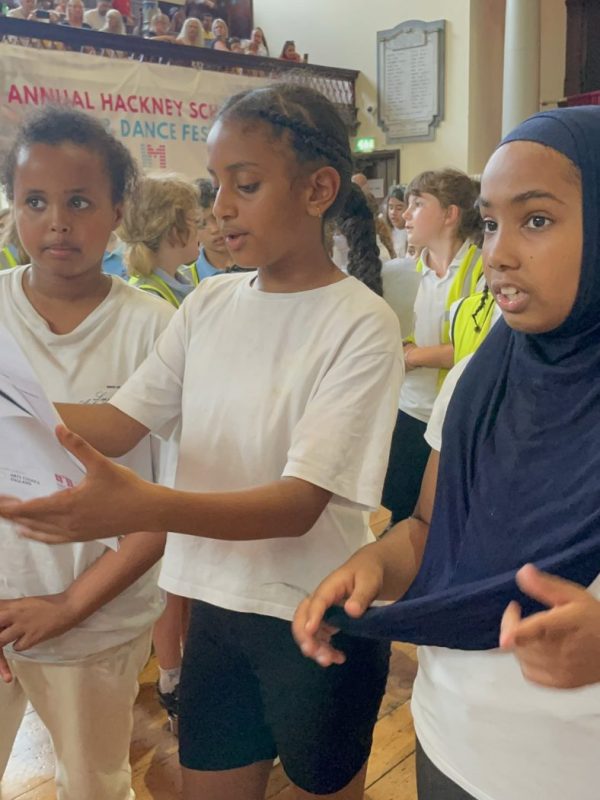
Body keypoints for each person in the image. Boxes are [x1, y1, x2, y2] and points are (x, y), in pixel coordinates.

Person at [0, 83, 403, 800]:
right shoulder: (210, 303)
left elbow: (297, 505)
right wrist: (15, 408)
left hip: (314, 613)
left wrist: (139, 505)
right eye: (216, 187)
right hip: (214, 608)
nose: (221, 208)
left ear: (318, 190)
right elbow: (121, 423)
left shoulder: (360, 322)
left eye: (245, 185)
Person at [292, 106, 600, 800]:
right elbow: (428, 527)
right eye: (490, 224)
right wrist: (374, 564)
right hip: (450, 738)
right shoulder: (477, 379)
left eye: (537, 220)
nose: (499, 254)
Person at [0, 106, 171, 800]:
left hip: (97, 622)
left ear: (117, 211)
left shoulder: (154, 328)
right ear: (13, 208)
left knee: (95, 784)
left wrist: (68, 606)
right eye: (35, 202)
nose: (57, 223)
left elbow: (165, 509)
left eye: (78, 202)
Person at [381, 168, 483, 524]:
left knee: (443, 519)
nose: (405, 214)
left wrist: (414, 356)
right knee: (396, 512)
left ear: (450, 214)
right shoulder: (404, 273)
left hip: (455, 416)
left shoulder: (482, 269)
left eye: (418, 204)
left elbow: (478, 350)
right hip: (409, 407)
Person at [119, 173, 200, 308]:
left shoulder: (177, 283)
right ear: (174, 233)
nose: (199, 232)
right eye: (195, 222)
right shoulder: (148, 299)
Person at [187, 178, 235, 281]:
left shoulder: (259, 265)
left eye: (215, 217)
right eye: (202, 223)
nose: (214, 229)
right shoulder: (185, 281)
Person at [385, 184, 408, 259]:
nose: (393, 212)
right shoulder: (384, 233)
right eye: (390, 207)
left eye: (399, 208)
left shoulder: (415, 235)